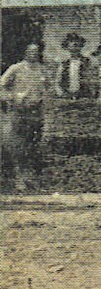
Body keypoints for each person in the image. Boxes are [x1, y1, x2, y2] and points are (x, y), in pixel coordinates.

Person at [1, 43, 50, 191]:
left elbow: (48, 88)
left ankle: (31, 179)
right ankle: (18, 178)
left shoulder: (42, 70)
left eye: (36, 52)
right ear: (25, 52)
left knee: (33, 146)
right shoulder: (16, 68)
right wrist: (12, 97)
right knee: (18, 145)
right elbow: (1, 85)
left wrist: (44, 101)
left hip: (36, 113)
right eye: (30, 51)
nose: (33, 54)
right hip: (19, 111)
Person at [55, 32, 94, 100]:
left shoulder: (87, 62)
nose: (75, 48)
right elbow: (58, 80)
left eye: (77, 45)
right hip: (68, 96)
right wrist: (61, 93)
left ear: (81, 46)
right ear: (67, 48)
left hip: (84, 96)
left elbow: (92, 78)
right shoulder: (64, 64)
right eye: (71, 45)